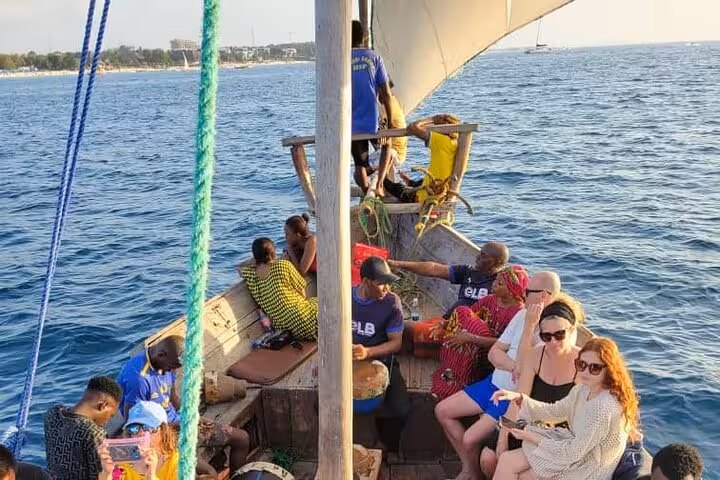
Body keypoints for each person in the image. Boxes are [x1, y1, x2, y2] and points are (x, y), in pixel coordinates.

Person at [492, 336, 640, 480]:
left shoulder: (603, 407)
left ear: (609, 369)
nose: (586, 372)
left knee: (522, 476)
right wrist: (520, 398)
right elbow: (555, 411)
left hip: (586, 467)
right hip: (572, 448)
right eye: (582, 365)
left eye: (595, 368)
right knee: (506, 460)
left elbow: (573, 453)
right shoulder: (583, 389)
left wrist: (531, 437)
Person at [479, 297, 584, 478]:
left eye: (559, 335)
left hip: (558, 438)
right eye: (546, 336)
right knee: (488, 457)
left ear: (572, 331)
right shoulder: (536, 356)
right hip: (528, 425)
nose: (552, 342)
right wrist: (503, 440)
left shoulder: (583, 363)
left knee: (521, 474)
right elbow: (517, 401)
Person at [117, 336, 250, 474]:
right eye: (171, 367)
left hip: (179, 422)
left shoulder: (167, 363)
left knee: (242, 438)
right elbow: (132, 423)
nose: (171, 371)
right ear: (161, 354)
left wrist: (194, 418)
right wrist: (182, 425)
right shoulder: (139, 379)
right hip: (158, 435)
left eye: (175, 368)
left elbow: (173, 396)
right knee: (208, 472)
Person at [389, 242, 509, 357]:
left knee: (406, 330)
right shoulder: (469, 271)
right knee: (396, 329)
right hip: (445, 322)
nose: (477, 257)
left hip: (463, 332)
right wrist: (399, 265)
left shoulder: (500, 284)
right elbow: (434, 269)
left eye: (483, 255)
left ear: (495, 261)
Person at [432, 265, 529, 401]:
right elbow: (468, 315)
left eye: (500, 284)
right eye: (495, 280)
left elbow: (505, 345)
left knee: (472, 329)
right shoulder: (491, 299)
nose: (494, 284)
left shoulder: (517, 313)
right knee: (462, 311)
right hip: (476, 342)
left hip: (492, 355)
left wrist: (470, 337)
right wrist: (445, 324)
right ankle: (451, 369)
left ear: (512, 292)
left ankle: (460, 380)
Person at [352, 256, 410, 454]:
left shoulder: (391, 302)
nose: (386, 289)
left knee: (400, 408)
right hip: (348, 361)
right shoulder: (344, 298)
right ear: (366, 282)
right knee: (320, 402)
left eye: (388, 283)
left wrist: (368, 352)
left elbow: (396, 343)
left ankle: (386, 447)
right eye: (382, 283)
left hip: (381, 361)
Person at [44, 376, 122, 480]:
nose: (106, 421)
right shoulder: (95, 433)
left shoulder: (52, 414)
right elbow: (101, 475)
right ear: (103, 405)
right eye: (110, 415)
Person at [241, 237, 318, 340]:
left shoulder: (251, 276)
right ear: (273, 252)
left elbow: (239, 267)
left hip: (286, 329)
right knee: (322, 303)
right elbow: (302, 291)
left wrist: (256, 260)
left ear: (255, 256)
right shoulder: (283, 265)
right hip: (304, 319)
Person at [350, 20, 394, 193]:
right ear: (364, 37)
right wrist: (390, 123)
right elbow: (386, 92)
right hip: (373, 120)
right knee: (387, 145)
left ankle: (366, 192)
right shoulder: (374, 57)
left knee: (360, 163)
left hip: (352, 122)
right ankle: (381, 183)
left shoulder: (341, 59)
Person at [382, 113, 462, 204]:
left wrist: (432, 119)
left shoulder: (442, 140)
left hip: (424, 198)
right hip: (439, 193)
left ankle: (381, 177)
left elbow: (412, 127)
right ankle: (408, 181)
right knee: (422, 182)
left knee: (394, 187)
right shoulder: (455, 144)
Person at [98, 401, 177, 480]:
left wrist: (151, 476)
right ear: (129, 435)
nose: (141, 434)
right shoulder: (123, 462)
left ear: (163, 432)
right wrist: (106, 474)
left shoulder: (178, 463)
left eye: (148, 427)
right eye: (134, 428)